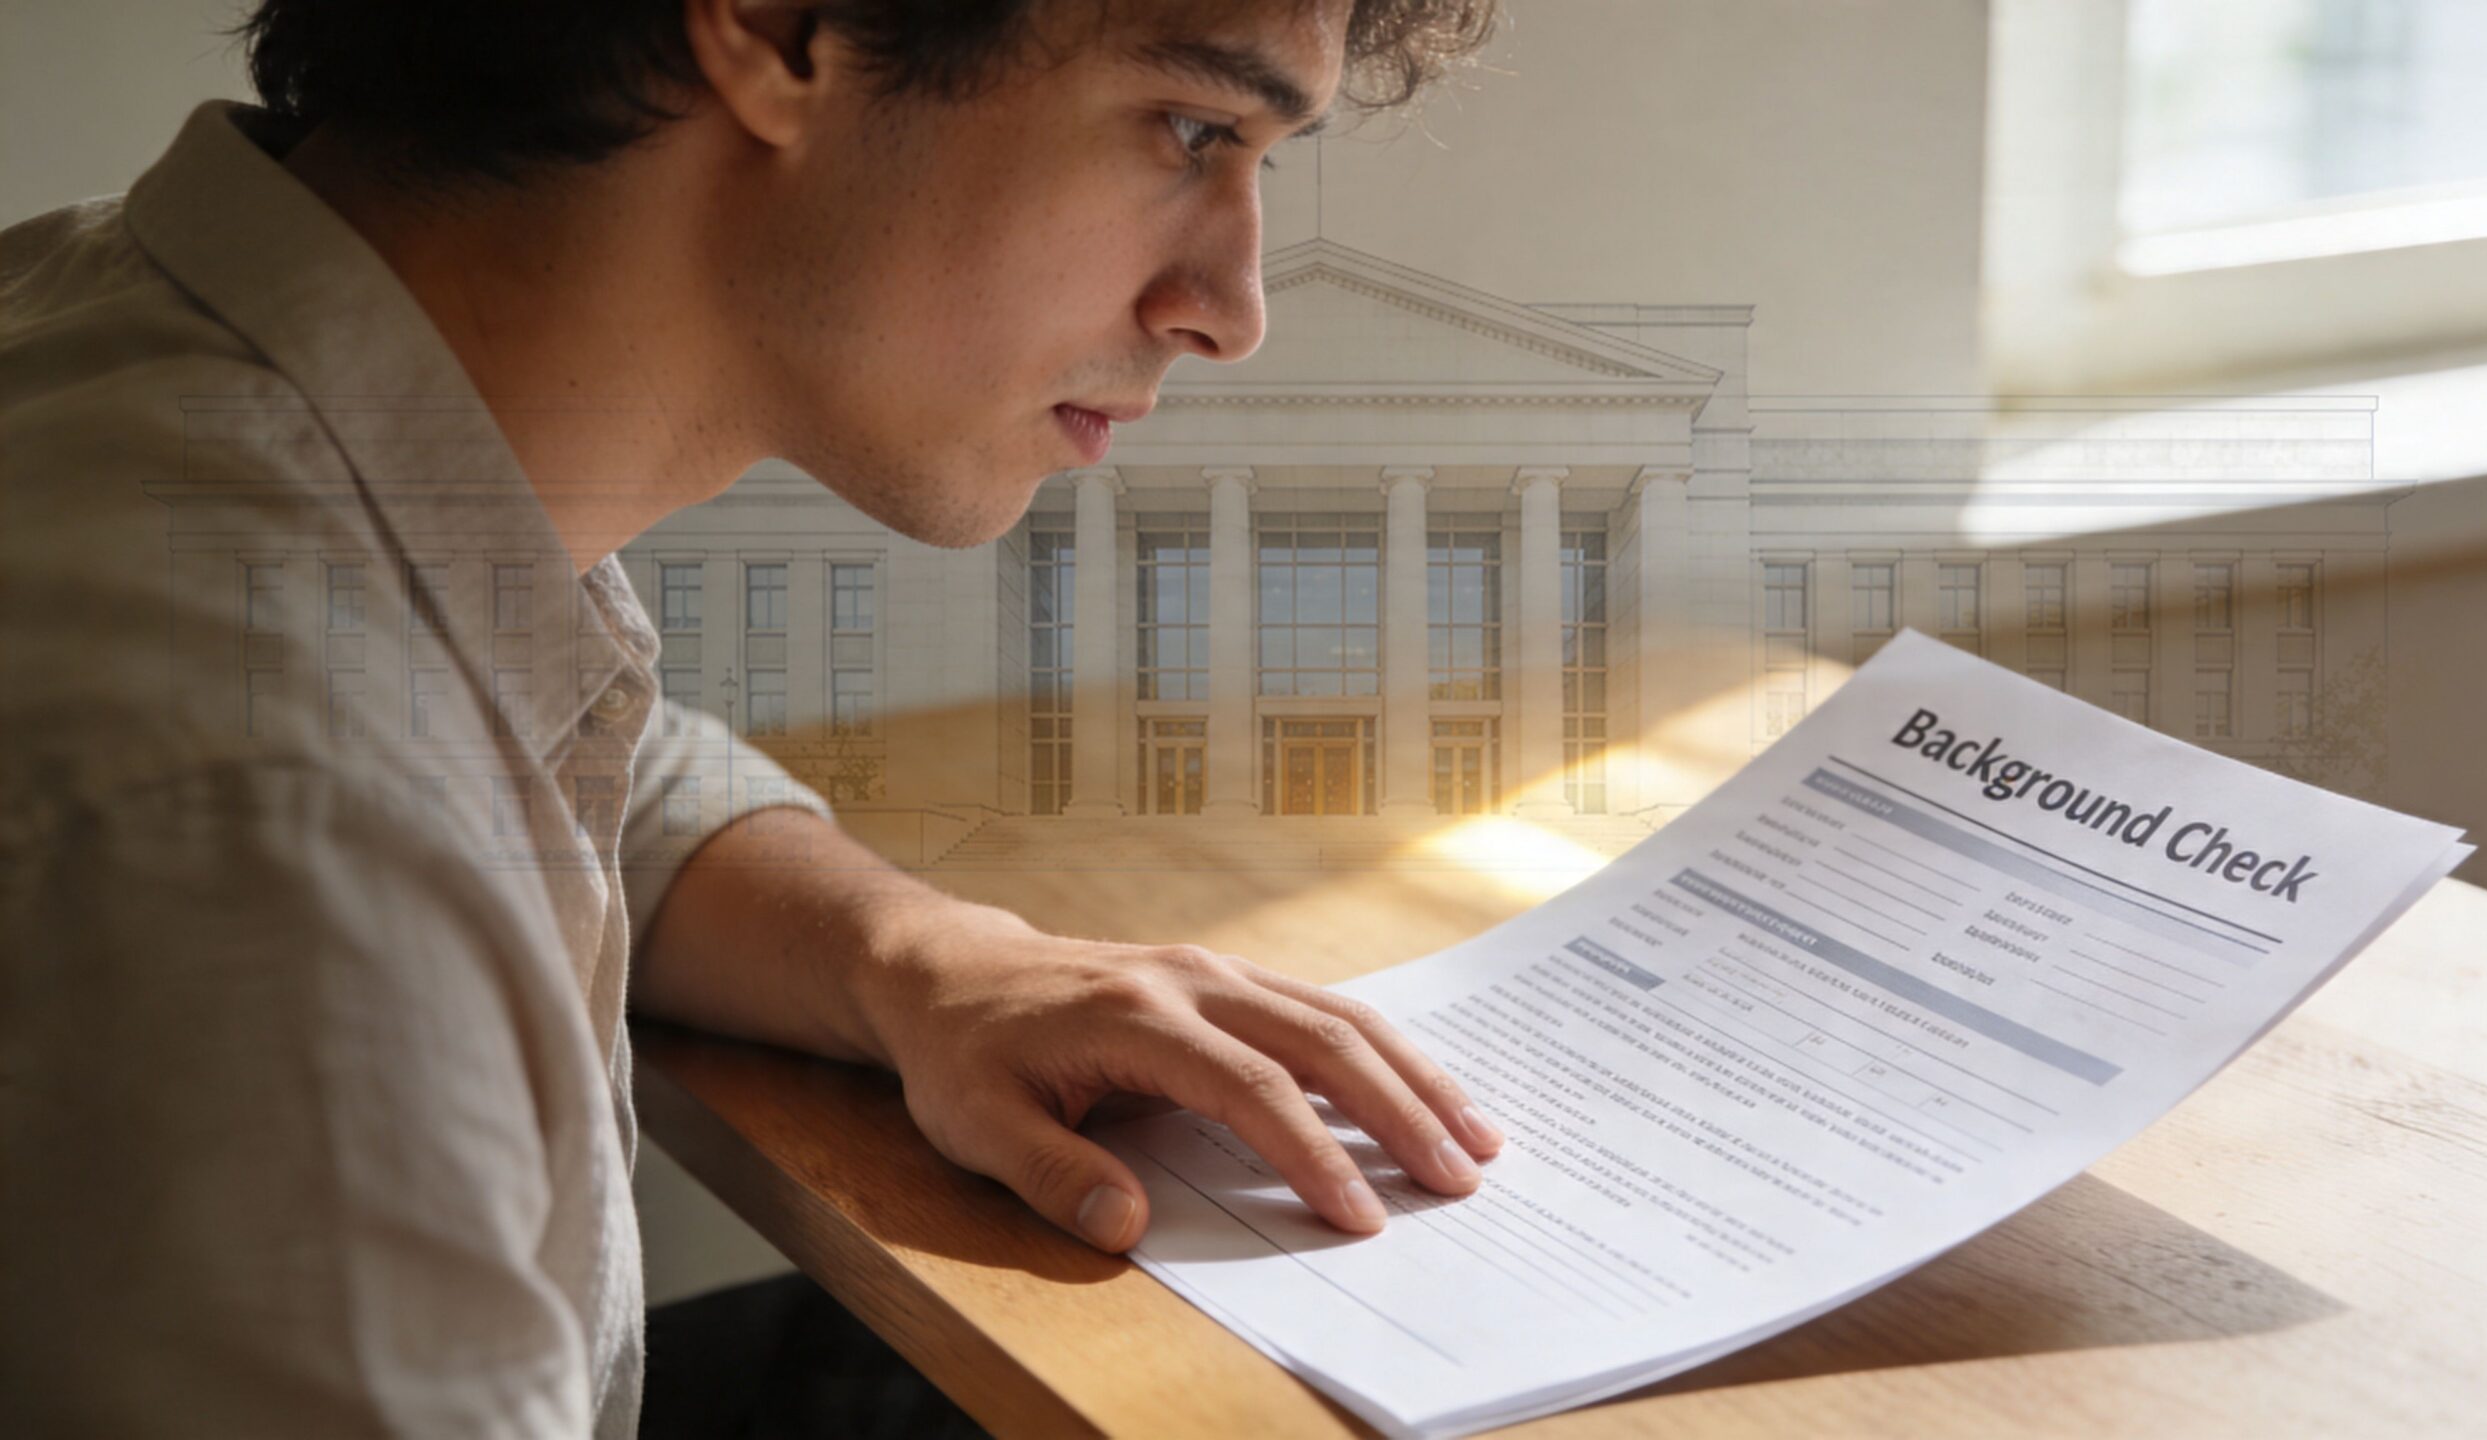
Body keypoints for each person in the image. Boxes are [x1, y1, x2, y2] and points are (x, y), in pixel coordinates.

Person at [0, 0, 1502, 1433]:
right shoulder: (271, 851)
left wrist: (920, 956)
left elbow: (575, 755)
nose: (1231, 311)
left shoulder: (147, 355)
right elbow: (367, 805)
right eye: (1188, 129)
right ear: (785, 31)